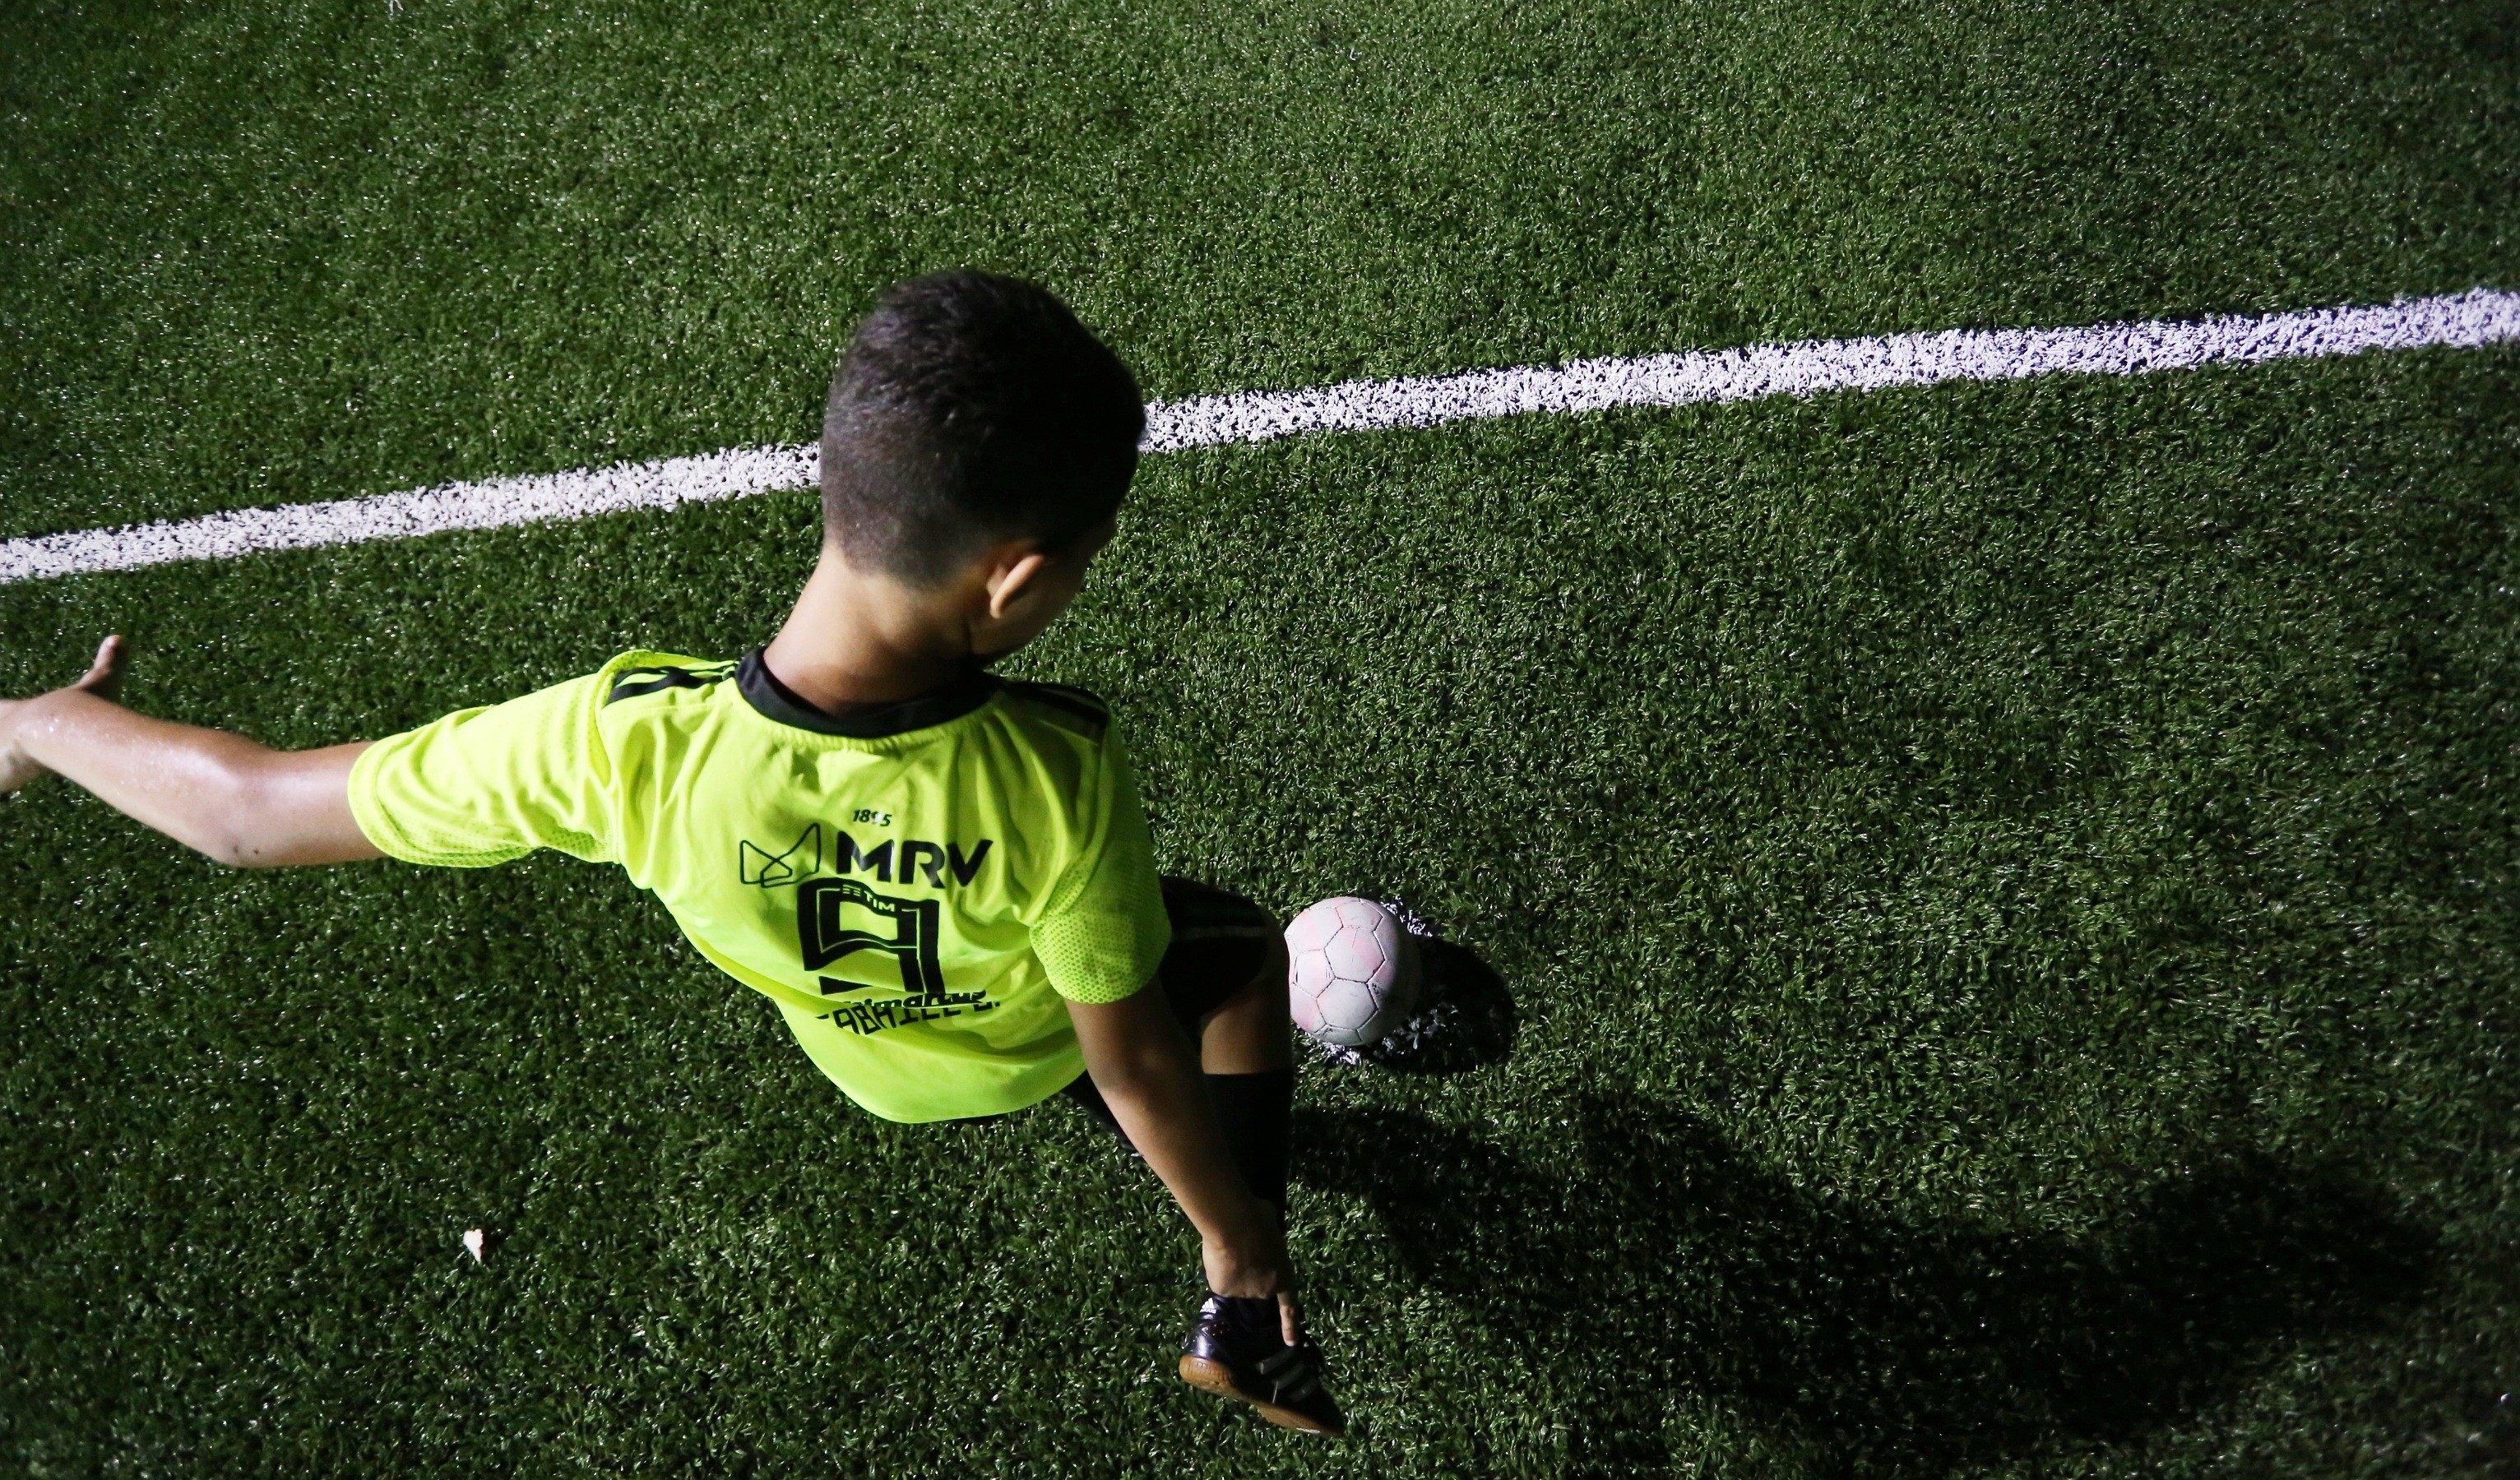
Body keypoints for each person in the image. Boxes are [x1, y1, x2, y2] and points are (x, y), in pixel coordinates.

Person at [0, 271, 1344, 1437]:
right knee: (1231, 962)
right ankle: (1243, 1312)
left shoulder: (620, 747)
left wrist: (50, 724)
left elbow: (246, 812)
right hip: (1031, 1041)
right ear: (1016, 578)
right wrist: (1235, 1235)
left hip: (877, 1072)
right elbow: (1129, 1048)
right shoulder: (1052, 778)